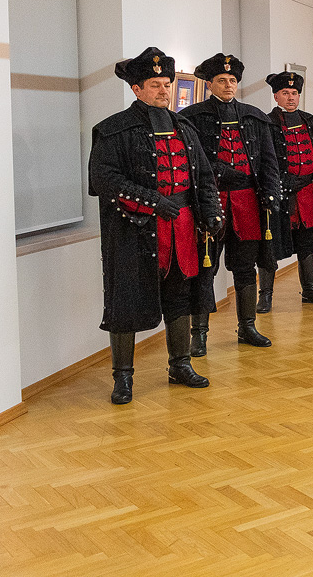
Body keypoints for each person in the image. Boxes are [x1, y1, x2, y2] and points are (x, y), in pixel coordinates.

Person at [88, 47, 222, 404]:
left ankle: (180, 365)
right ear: (137, 89)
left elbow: (204, 176)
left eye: (166, 84)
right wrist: (152, 201)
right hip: (135, 230)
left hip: (183, 228)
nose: (164, 91)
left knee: (180, 296)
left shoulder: (185, 127)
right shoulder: (113, 130)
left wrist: (212, 213)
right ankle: (123, 379)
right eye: (155, 85)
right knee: (126, 302)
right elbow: (104, 180)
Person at [179, 53, 280, 355]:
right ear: (209, 84)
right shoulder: (192, 117)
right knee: (204, 270)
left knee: (245, 268)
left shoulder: (254, 116)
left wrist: (271, 195)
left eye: (232, 80)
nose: (228, 85)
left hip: (248, 203)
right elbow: (192, 162)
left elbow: (269, 161)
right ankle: (199, 335)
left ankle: (247, 327)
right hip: (212, 202)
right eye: (222, 80)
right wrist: (222, 172)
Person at [258, 70, 313, 311]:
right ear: (276, 96)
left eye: (294, 93)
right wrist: (280, 183)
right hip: (278, 196)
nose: (291, 97)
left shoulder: (310, 122)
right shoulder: (266, 124)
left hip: (307, 194)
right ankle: (265, 295)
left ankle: (310, 289)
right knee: (270, 245)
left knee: (307, 243)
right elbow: (262, 161)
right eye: (285, 93)